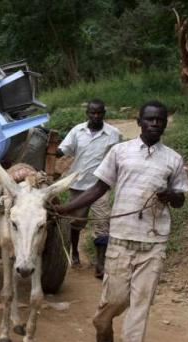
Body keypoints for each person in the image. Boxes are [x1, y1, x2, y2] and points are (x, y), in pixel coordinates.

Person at [54, 100, 188, 342]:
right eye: (150, 119)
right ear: (139, 122)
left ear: (165, 124)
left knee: (140, 305)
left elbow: (181, 199)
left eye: (160, 120)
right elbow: (98, 188)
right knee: (115, 299)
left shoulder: (173, 160)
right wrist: (66, 210)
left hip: (154, 242)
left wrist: (171, 196)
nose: (155, 124)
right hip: (121, 238)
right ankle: (102, 325)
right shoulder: (120, 152)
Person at [56, 99, 122, 278]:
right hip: (78, 185)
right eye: (92, 113)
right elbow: (63, 150)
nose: (96, 116)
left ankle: (100, 264)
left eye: (99, 113)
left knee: (102, 223)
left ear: (104, 113)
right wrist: (50, 147)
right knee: (75, 223)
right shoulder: (77, 131)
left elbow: (117, 159)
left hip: (100, 187)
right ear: (87, 113)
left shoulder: (113, 134)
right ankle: (74, 252)